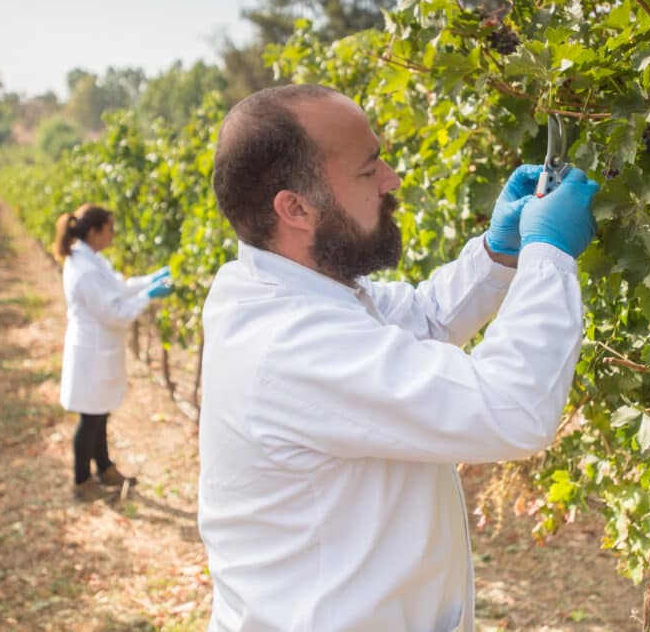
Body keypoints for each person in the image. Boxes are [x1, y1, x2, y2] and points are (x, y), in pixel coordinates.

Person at [198, 84, 598, 631]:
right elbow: (513, 407)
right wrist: (548, 253)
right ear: (295, 207)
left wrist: (497, 253)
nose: (393, 180)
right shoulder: (290, 345)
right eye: (369, 172)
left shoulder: (289, 287)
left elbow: (423, 318)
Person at [52, 203, 173, 502]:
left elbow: (118, 287)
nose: (113, 235)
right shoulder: (83, 271)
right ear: (94, 232)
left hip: (99, 349)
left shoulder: (92, 260)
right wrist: (149, 295)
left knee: (100, 413)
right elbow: (114, 313)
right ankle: (81, 480)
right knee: (90, 419)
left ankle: (104, 468)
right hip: (91, 352)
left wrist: (151, 280)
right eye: (110, 229)